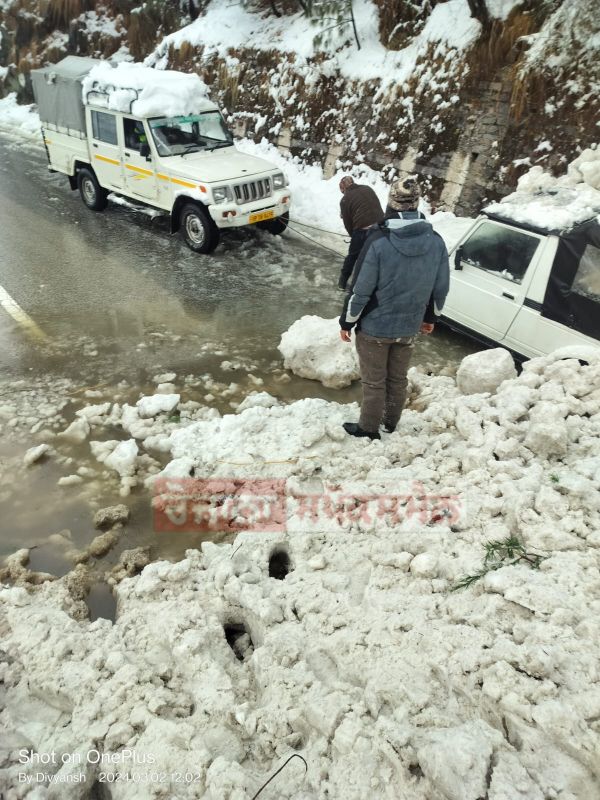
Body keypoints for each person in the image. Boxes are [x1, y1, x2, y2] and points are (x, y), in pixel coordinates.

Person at [339, 178, 450, 440]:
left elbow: (361, 289)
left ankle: (368, 428)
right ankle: (390, 423)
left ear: (391, 203)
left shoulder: (378, 241)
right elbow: (441, 287)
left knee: (374, 381)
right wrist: (431, 318)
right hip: (409, 326)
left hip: (375, 327)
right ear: (417, 203)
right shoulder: (436, 241)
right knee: (398, 379)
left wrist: (347, 321)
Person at [338, 176, 384, 290]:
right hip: (381, 227)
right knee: (376, 257)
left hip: (363, 229)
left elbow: (348, 224)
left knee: (353, 256)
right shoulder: (367, 188)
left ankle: (342, 283)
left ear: (343, 188)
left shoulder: (345, 199)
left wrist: (353, 236)